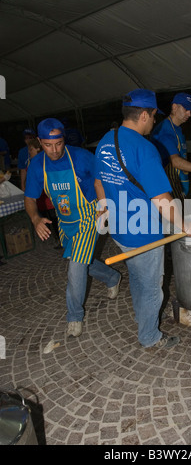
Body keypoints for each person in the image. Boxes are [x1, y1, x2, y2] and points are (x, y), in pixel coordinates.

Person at [94, 89, 191, 349]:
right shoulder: (145, 148)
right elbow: (161, 200)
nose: (154, 121)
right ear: (143, 115)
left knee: (138, 277)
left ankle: (144, 318)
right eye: (153, 115)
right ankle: (150, 336)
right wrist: (184, 225)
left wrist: (104, 208)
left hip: (119, 230)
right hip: (144, 233)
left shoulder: (106, 140)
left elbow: (98, 182)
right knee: (152, 285)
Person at [24, 118, 121, 338]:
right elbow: (29, 198)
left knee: (76, 265)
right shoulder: (37, 165)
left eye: (58, 143)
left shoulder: (81, 157)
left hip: (89, 215)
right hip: (65, 219)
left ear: (63, 139)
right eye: (48, 145)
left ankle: (74, 316)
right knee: (80, 261)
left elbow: (102, 179)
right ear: (40, 142)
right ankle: (111, 277)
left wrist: (104, 206)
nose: (55, 150)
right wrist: (35, 218)